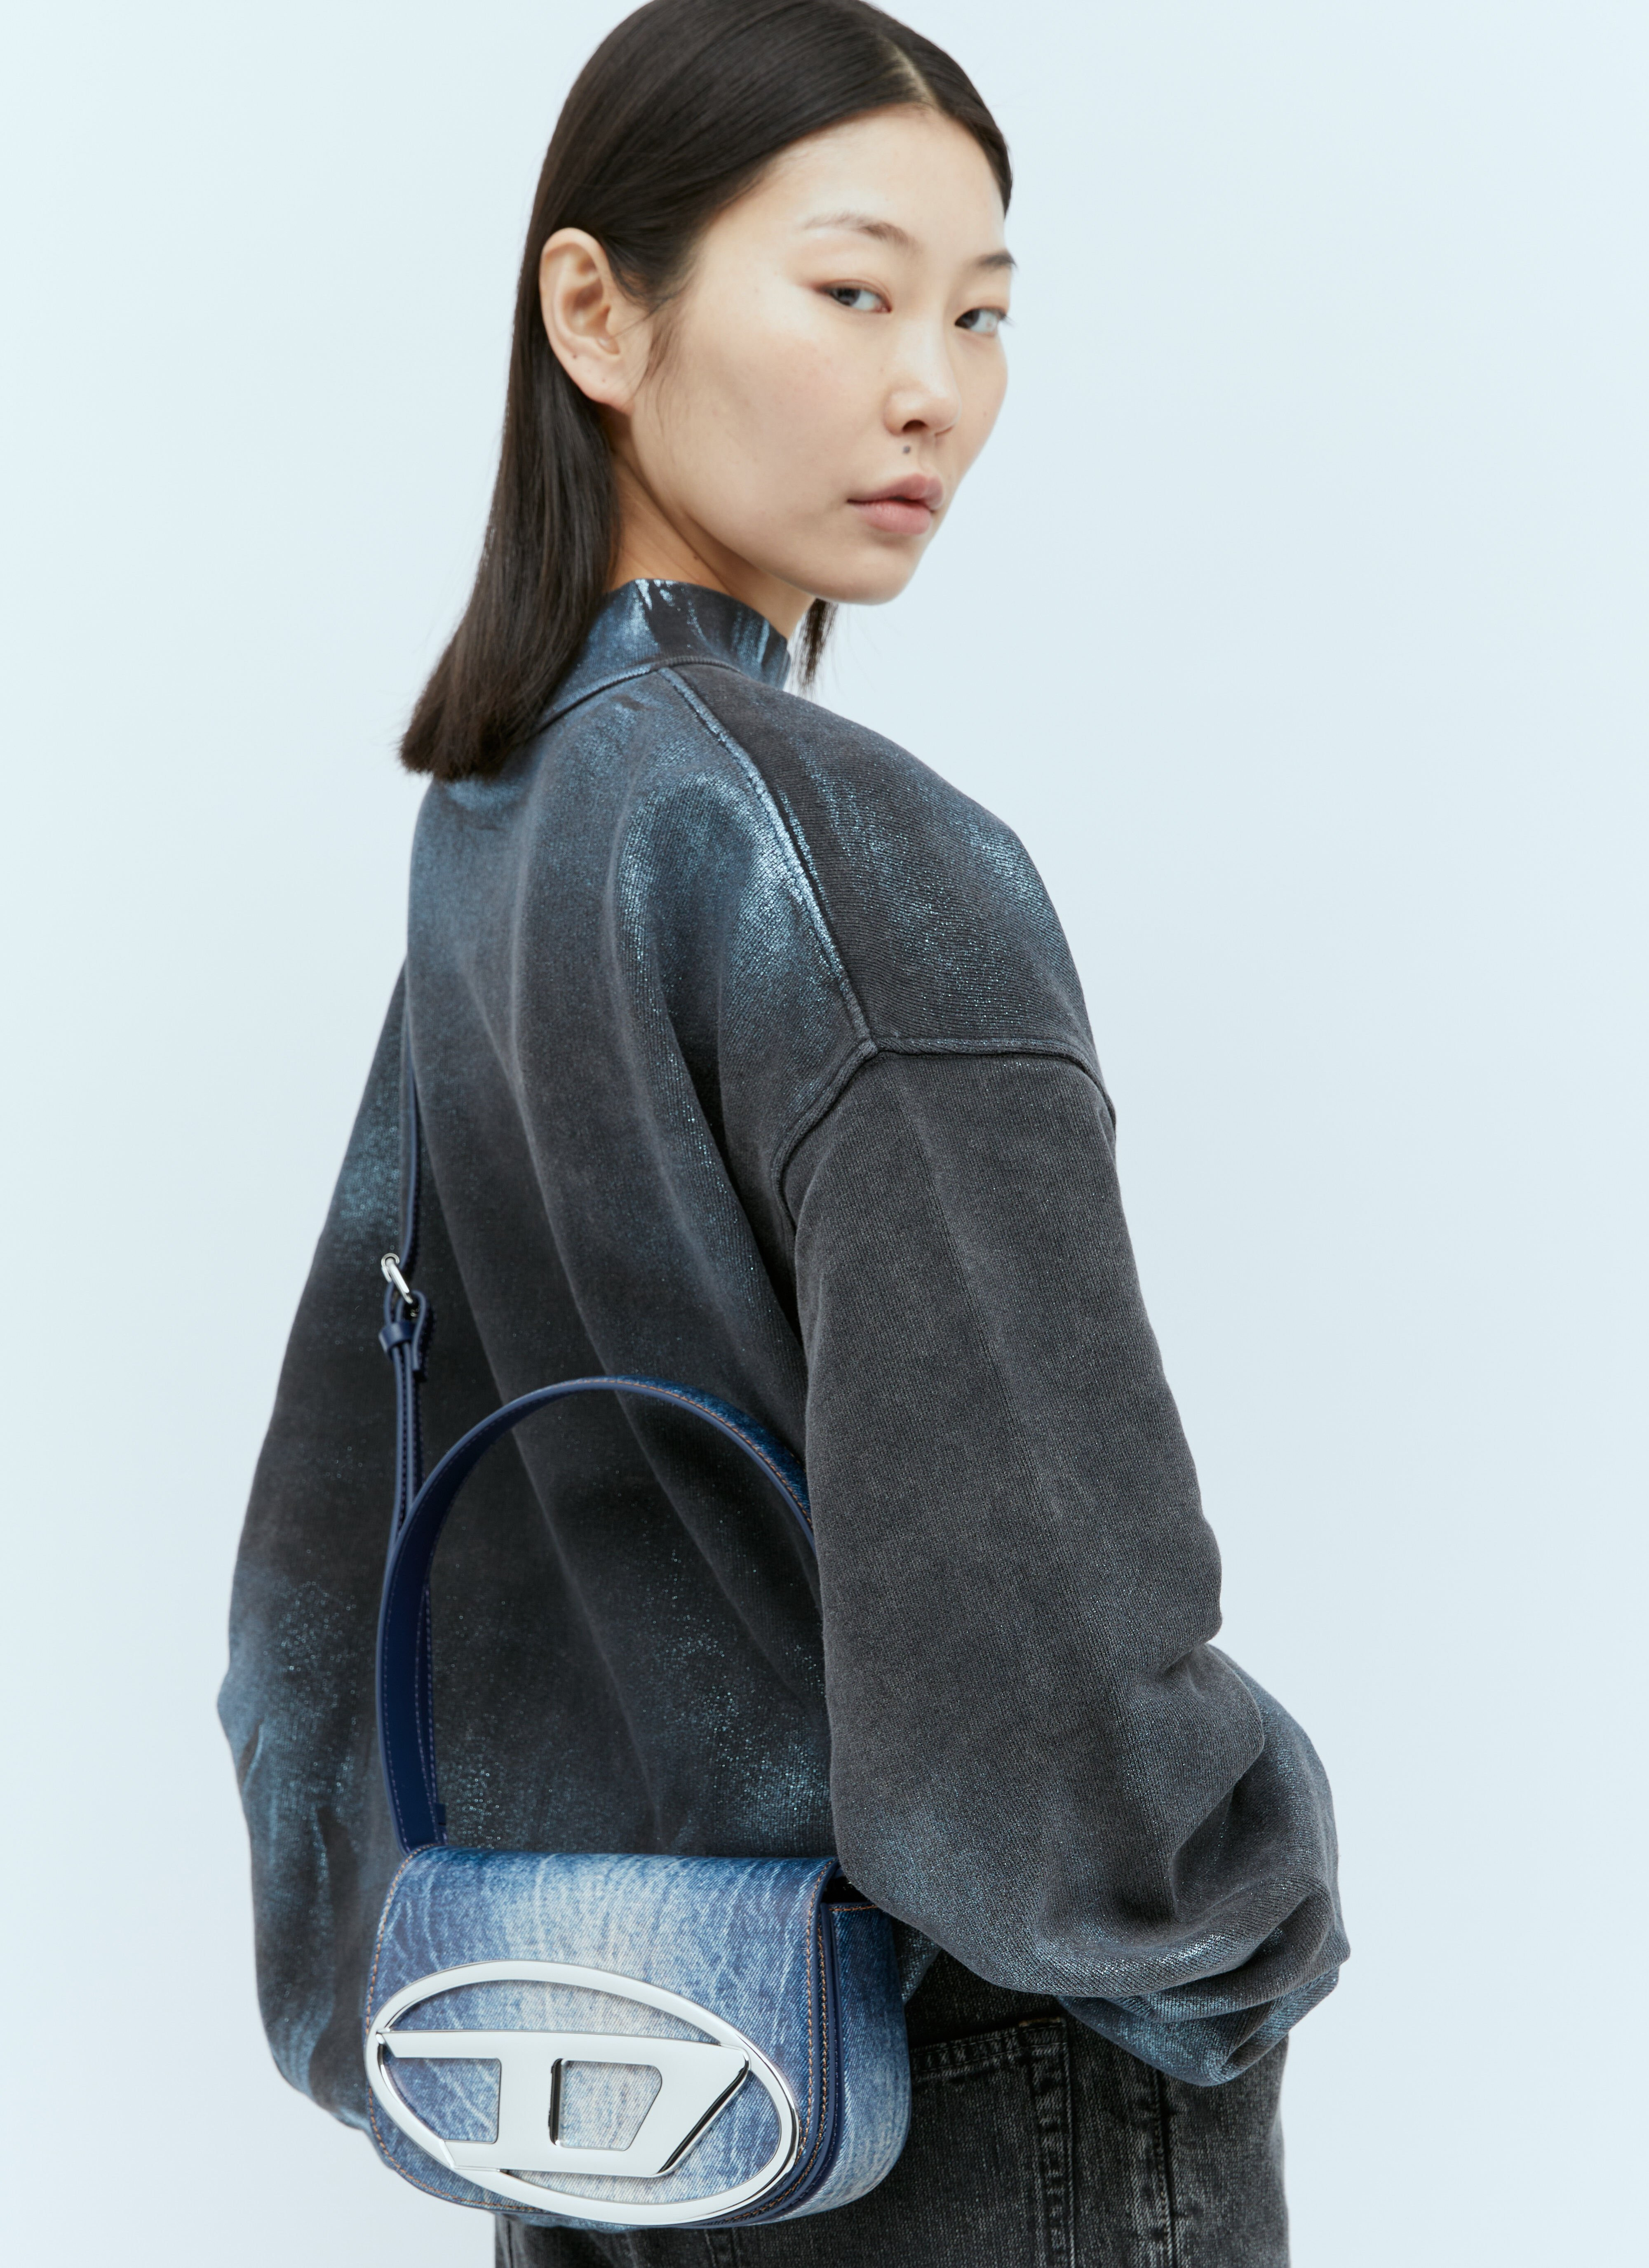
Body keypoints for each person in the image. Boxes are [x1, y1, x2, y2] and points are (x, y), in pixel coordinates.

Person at [219, 3, 1346, 2261]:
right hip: (967, 2108)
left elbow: (317, 1584)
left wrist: (378, 1977)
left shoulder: (505, 834)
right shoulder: (844, 854)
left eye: (982, 315)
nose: (934, 388)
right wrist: (1237, 1912)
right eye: (853, 291)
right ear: (595, 313)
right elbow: (1046, 1651)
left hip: (614, 2077)